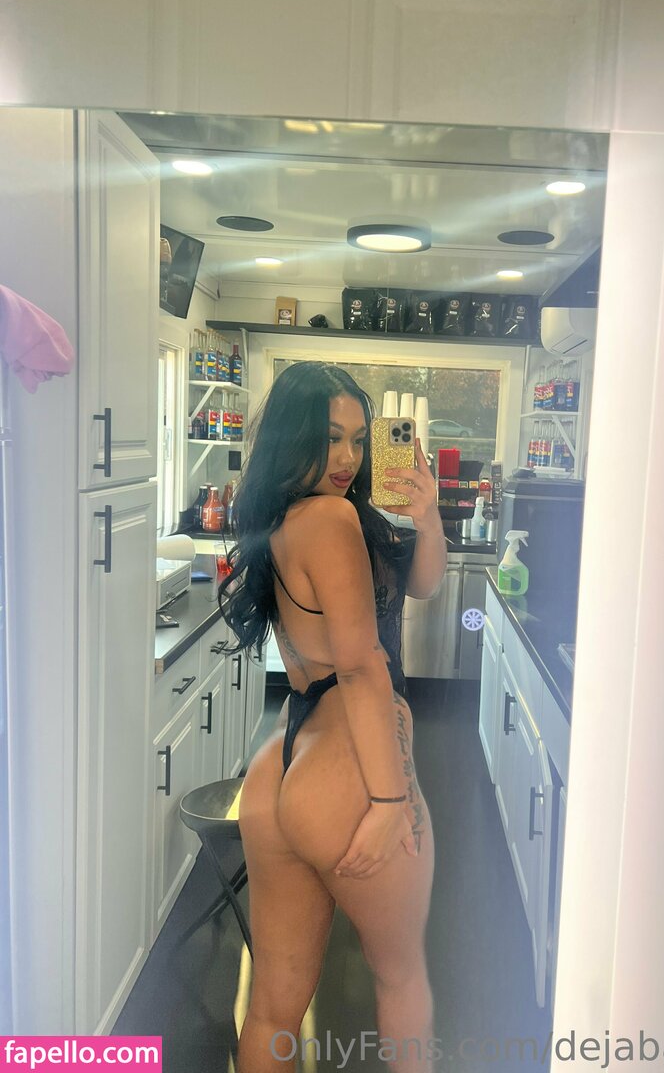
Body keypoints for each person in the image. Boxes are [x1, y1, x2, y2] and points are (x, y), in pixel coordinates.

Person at [219, 362, 447, 1073]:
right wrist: (389, 801)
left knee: (273, 1005)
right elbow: (361, 666)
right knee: (400, 975)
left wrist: (428, 514)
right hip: (350, 763)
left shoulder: (288, 516)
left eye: (357, 438)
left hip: (284, 760)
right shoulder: (332, 518)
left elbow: (422, 584)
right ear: (292, 439)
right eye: (328, 438)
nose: (347, 457)